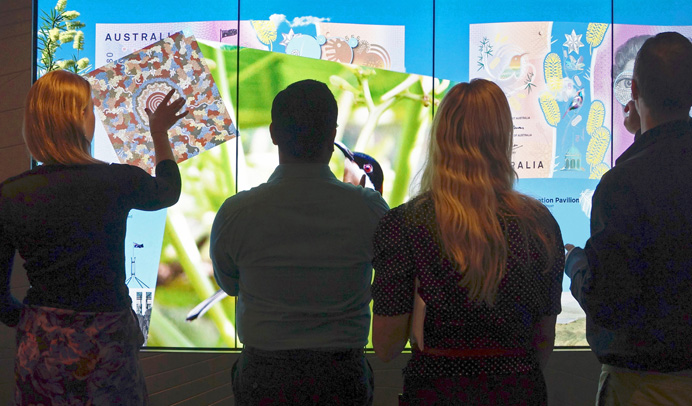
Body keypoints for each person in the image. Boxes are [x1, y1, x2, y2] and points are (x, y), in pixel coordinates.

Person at [371, 78, 564, 405]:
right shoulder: (539, 223)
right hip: (518, 392)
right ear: (504, 138)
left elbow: (387, 347)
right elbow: (543, 343)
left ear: (441, 138)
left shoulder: (405, 223)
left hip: (436, 393)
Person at [0, 69, 187, 405]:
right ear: (81, 118)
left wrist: (32, 321)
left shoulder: (11, 194)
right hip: (108, 340)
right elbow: (168, 191)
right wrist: (159, 132)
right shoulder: (117, 181)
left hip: (42, 344)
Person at [210, 79, 389, 405]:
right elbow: (391, 275)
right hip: (341, 375)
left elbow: (230, 285)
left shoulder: (236, 212)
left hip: (264, 377)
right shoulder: (370, 209)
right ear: (334, 135)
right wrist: (365, 196)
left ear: (273, 133)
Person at [565, 32, 692, 405]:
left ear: (633, 89)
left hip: (644, 388)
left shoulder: (622, 184)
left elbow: (608, 303)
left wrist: (575, 264)